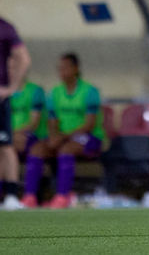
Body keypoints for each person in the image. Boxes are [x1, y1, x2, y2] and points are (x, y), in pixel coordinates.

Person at [21, 53, 104, 209]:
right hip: (62, 137)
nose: (62, 72)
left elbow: (89, 124)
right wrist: (53, 137)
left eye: (66, 68)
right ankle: (29, 197)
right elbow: (52, 121)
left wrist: (63, 137)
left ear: (76, 68)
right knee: (36, 150)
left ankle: (62, 196)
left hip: (88, 138)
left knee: (66, 149)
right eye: (59, 69)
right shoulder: (54, 93)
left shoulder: (90, 91)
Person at [0, 16, 32, 210]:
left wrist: (11, 88)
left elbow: (24, 58)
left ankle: (11, 194)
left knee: (5, 146)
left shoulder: (5, 28)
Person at [8, 56, 48, 157]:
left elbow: (34, 123)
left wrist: (13, 133)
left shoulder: (35, 91)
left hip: (33, 136)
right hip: (12, 135)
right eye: (9, 68)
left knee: (8, 145)